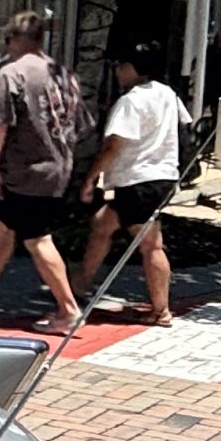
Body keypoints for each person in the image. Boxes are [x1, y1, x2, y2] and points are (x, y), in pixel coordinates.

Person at [0, 10, 85, 333]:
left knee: (37, 239)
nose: (7, 46)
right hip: (57, 167)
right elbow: (81, 125)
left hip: (25, 172)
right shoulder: (64, 75)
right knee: (3, 224)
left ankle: (69, 309)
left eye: (8, 39)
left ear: (18, 39)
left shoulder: (11, 73)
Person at [74, 40, 184, 325]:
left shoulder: (131, 102)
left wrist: (91, 179)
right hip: (160, 178)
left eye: (120, 65)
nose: (117, 70)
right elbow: (183, 123)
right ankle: (78, 287)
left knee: (151, 244)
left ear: (133, 68)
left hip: (136, 181)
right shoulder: (167, 94)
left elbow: (113, 145)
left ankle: (161, 310)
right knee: (102, 224)